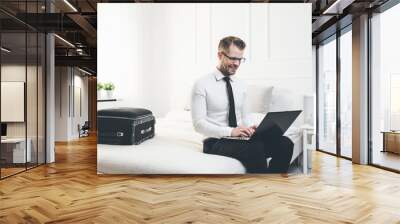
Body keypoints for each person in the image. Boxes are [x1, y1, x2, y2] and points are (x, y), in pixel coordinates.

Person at [191, 36, 293, 174]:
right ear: (220, 55)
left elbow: (246, 116)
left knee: (285, 143)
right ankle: (261, 189)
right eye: (233, 58)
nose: (237, 64)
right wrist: (231, 132)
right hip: (215, 141)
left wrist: (252, 128)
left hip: (240, 139)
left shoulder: (241, 85)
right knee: (254, 148)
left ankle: (273, 185)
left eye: (240, 59)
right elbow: (199, 124)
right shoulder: (202, 84)